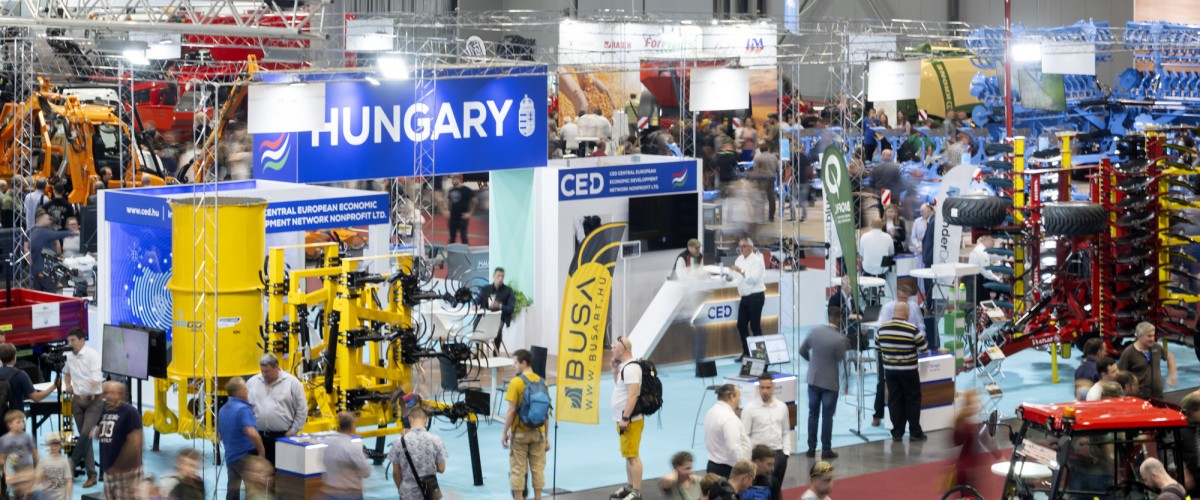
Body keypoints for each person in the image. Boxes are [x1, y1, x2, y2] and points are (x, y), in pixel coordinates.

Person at [799, 308, 847, 459]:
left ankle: (811, 448)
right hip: (830, 383)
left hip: (813, 379)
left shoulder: (815, 332)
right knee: (827, 417)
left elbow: (802, 351)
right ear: (840, 319)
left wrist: (812, 363)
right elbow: (839, 359)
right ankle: (826, 449)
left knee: (813, 414)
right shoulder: (840, 339)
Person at [502, 349, 549, 500]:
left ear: (524, 363)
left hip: (520, 432)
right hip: (538, 432)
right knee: (538, 468)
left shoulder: (516, 382)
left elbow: (511, 411)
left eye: (515, 362)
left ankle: (518, 498)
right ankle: (538, 497)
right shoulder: (543, 382)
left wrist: (504, 432)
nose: (514, 366)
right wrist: (546, 437)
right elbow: (546, 413)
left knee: (518, 469)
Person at [878, 303, 927, 441]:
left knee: (894, 400)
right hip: (909, 371)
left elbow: (877, 348)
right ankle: (914, 432)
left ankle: (897, 432)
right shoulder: (912, 329)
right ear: (907, 313)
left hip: (890, 371)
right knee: (912, 400)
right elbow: (923, 348)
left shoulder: (882, 329)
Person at [245, 353, 305, 468]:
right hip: (258, 437)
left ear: (277, 367)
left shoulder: (293, 383)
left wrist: (291, 432)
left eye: (267, 371)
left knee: (281, 473)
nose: (264, 375)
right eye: (262, 371)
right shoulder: (252, 383)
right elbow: (246, 407)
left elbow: (302, 411)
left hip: (283, 436)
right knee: (259, 473)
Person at [63, 328, 103, 488]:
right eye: (68, 341)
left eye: (73, 340)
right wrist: (68, 385)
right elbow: (67, 373)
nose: (70, 343)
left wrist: (86, 391)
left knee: (86, 433)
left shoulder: (92, 356)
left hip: (94, 401)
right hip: (76, 402)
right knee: (85, 438)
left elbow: (96, 379)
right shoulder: (69, 357)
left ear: (82, 340)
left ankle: (71, 462)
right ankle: (91, 474)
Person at [741, 373, 790, 498]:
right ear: (758, 388)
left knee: (776, 489)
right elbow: (744, 435)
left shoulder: (782, 407)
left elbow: (785, 431)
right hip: (759, 459)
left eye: (768, 387)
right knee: (761, 491)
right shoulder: (749, 409)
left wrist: (786, 453)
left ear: (773, 387)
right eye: (762, 387)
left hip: (778, 455)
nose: (765, 391)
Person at [609, 336, 644, 500]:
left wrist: (625, 418)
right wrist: (614, 369)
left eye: (614, 347)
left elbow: (633, 396)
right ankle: (630, 487)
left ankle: (636, 492)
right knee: (628, 455)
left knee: (633, 456)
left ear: (622, 350)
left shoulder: (631, 369)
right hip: (624, 419)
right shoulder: (624, 367)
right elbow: (620, 387)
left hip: (630, 420)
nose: (612, 350)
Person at [218, 377, 264, 500]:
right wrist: (261, 452)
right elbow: (251, 432)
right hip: (246, 456)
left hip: (230, 457)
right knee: (253, 492)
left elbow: (219, 435)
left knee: (232, 492)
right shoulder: (243, 410)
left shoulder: (222, 410)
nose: (247, 391)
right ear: (239, 392)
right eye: (245, 389)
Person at [389, 405, 447, 500]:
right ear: (426, 419)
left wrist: (402, 490)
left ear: (409, 418)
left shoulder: (398, 441)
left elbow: (396, 472)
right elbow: (441, 468)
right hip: (430, 493)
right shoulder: (436, 440)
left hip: (407, 494)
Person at [98, 381, 143, 499]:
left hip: (126, 474)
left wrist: (118, 467)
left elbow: (135, 443)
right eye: (106, 392)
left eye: (112, 393)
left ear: (121, 394)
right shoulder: (105, 410)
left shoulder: (131, 412)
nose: (108, 396)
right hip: (109, 472)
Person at [725, 238, 766, 361]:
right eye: (739, 246)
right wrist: (730, 277)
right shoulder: (739, 259)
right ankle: (747, 352)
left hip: (756, 296)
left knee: (755, 326)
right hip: (744, 297)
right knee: (741, 325)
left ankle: (760, 355)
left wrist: (741, 271)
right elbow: (736, 276)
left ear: (750, 247)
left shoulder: (757, 261)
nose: (740, 249)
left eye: (743, 246)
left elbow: (753, 279)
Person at [1118, 322, 1178, 400]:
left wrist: (1172, 374)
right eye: (1149, 336)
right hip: (1139, 397)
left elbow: (1170, 357)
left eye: (1153, 335)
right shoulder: (1128, 353)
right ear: (1140, 336)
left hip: (1157, 396)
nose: (1152, 339)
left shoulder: (1156, 347)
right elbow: (1120, 375)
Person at [320, 412, 371, 499]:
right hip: (349, 495)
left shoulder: (328, 446)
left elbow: (324, 463)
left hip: (329, 494)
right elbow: (366, 472)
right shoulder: (352, 448)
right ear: (352, 426)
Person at [703, 384, 750, 477]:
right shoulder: (728, 418)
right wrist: (745, 468)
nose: (739, 400)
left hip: (713, 464)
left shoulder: (711, 411)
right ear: (731, 397)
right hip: (728, 469)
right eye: (738, 396)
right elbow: (733, 448)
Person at [27, 211, 77, 292]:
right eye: (48, 219)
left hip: (36, 271)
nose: (50, 221)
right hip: (45, 272)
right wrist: (72, 232)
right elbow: (57, 235)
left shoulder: (33, 232)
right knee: (50, 295)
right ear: (41, 220)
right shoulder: (43, 232)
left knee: (39, 296)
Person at [0, 343, 55, 417]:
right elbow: (36, 397)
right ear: (14, 356)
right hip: (15, 418)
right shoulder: (20, 374)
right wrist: (54, 387)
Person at [474, 268, 516, 351]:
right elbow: (476, 300)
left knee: (497, 329)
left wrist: (500, 306)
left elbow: (511, 308)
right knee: (476, 326)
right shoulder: (485, 289)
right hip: (484, 316)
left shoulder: (508, 291)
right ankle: (479, 351)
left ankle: (495, 353)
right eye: (498, 276)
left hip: (499, 317)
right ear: (494, 276)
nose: (500, 278)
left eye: (502, 276)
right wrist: (474, 305)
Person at [1178, 390, 1200, 496]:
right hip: (1189, 475)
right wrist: (1184, 471)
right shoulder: (1178, 428)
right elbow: (1172, 454)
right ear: (1192, 411)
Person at [749, 144, 778, 222]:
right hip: (771, 178)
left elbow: (756, 170)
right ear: (768, 149)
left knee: (761, 197)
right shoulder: (774, 157)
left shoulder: (758, 158)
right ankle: (771, 216)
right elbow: (778, 168)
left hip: (761, 179)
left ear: (760, 150)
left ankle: (760, 216)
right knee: (771, 197)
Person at [968, 235, 1002, 301]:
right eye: (993, 241)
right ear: (987, 239)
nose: (994, 244)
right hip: (979, 282)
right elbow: (987, 273)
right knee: (1002, 287)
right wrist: (999, 279)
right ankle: (996, 304)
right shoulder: (982, 252)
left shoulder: (977, 249)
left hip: (974, 280)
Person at [446, 175, 476, 245]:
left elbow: (475, 200)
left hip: (462, 217)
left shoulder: (466, 190)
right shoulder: (451, 190)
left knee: (463, 236)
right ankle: (451, 252)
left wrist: (470, 213)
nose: (452, 181)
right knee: (452, 237)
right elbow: (448, 200)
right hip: (453, 217)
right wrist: (447, 210)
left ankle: (465, 252)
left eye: (453, 179)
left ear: (458, 180)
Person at [39, 435, 71, 500]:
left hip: (60, 497)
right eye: (52, 445)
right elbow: (37, 478)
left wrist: (70, 497)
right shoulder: (43, 461)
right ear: (48, 446)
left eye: (56, 445)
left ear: (60, 446)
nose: (54, 447)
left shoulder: (64, 462)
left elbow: (68, 481)